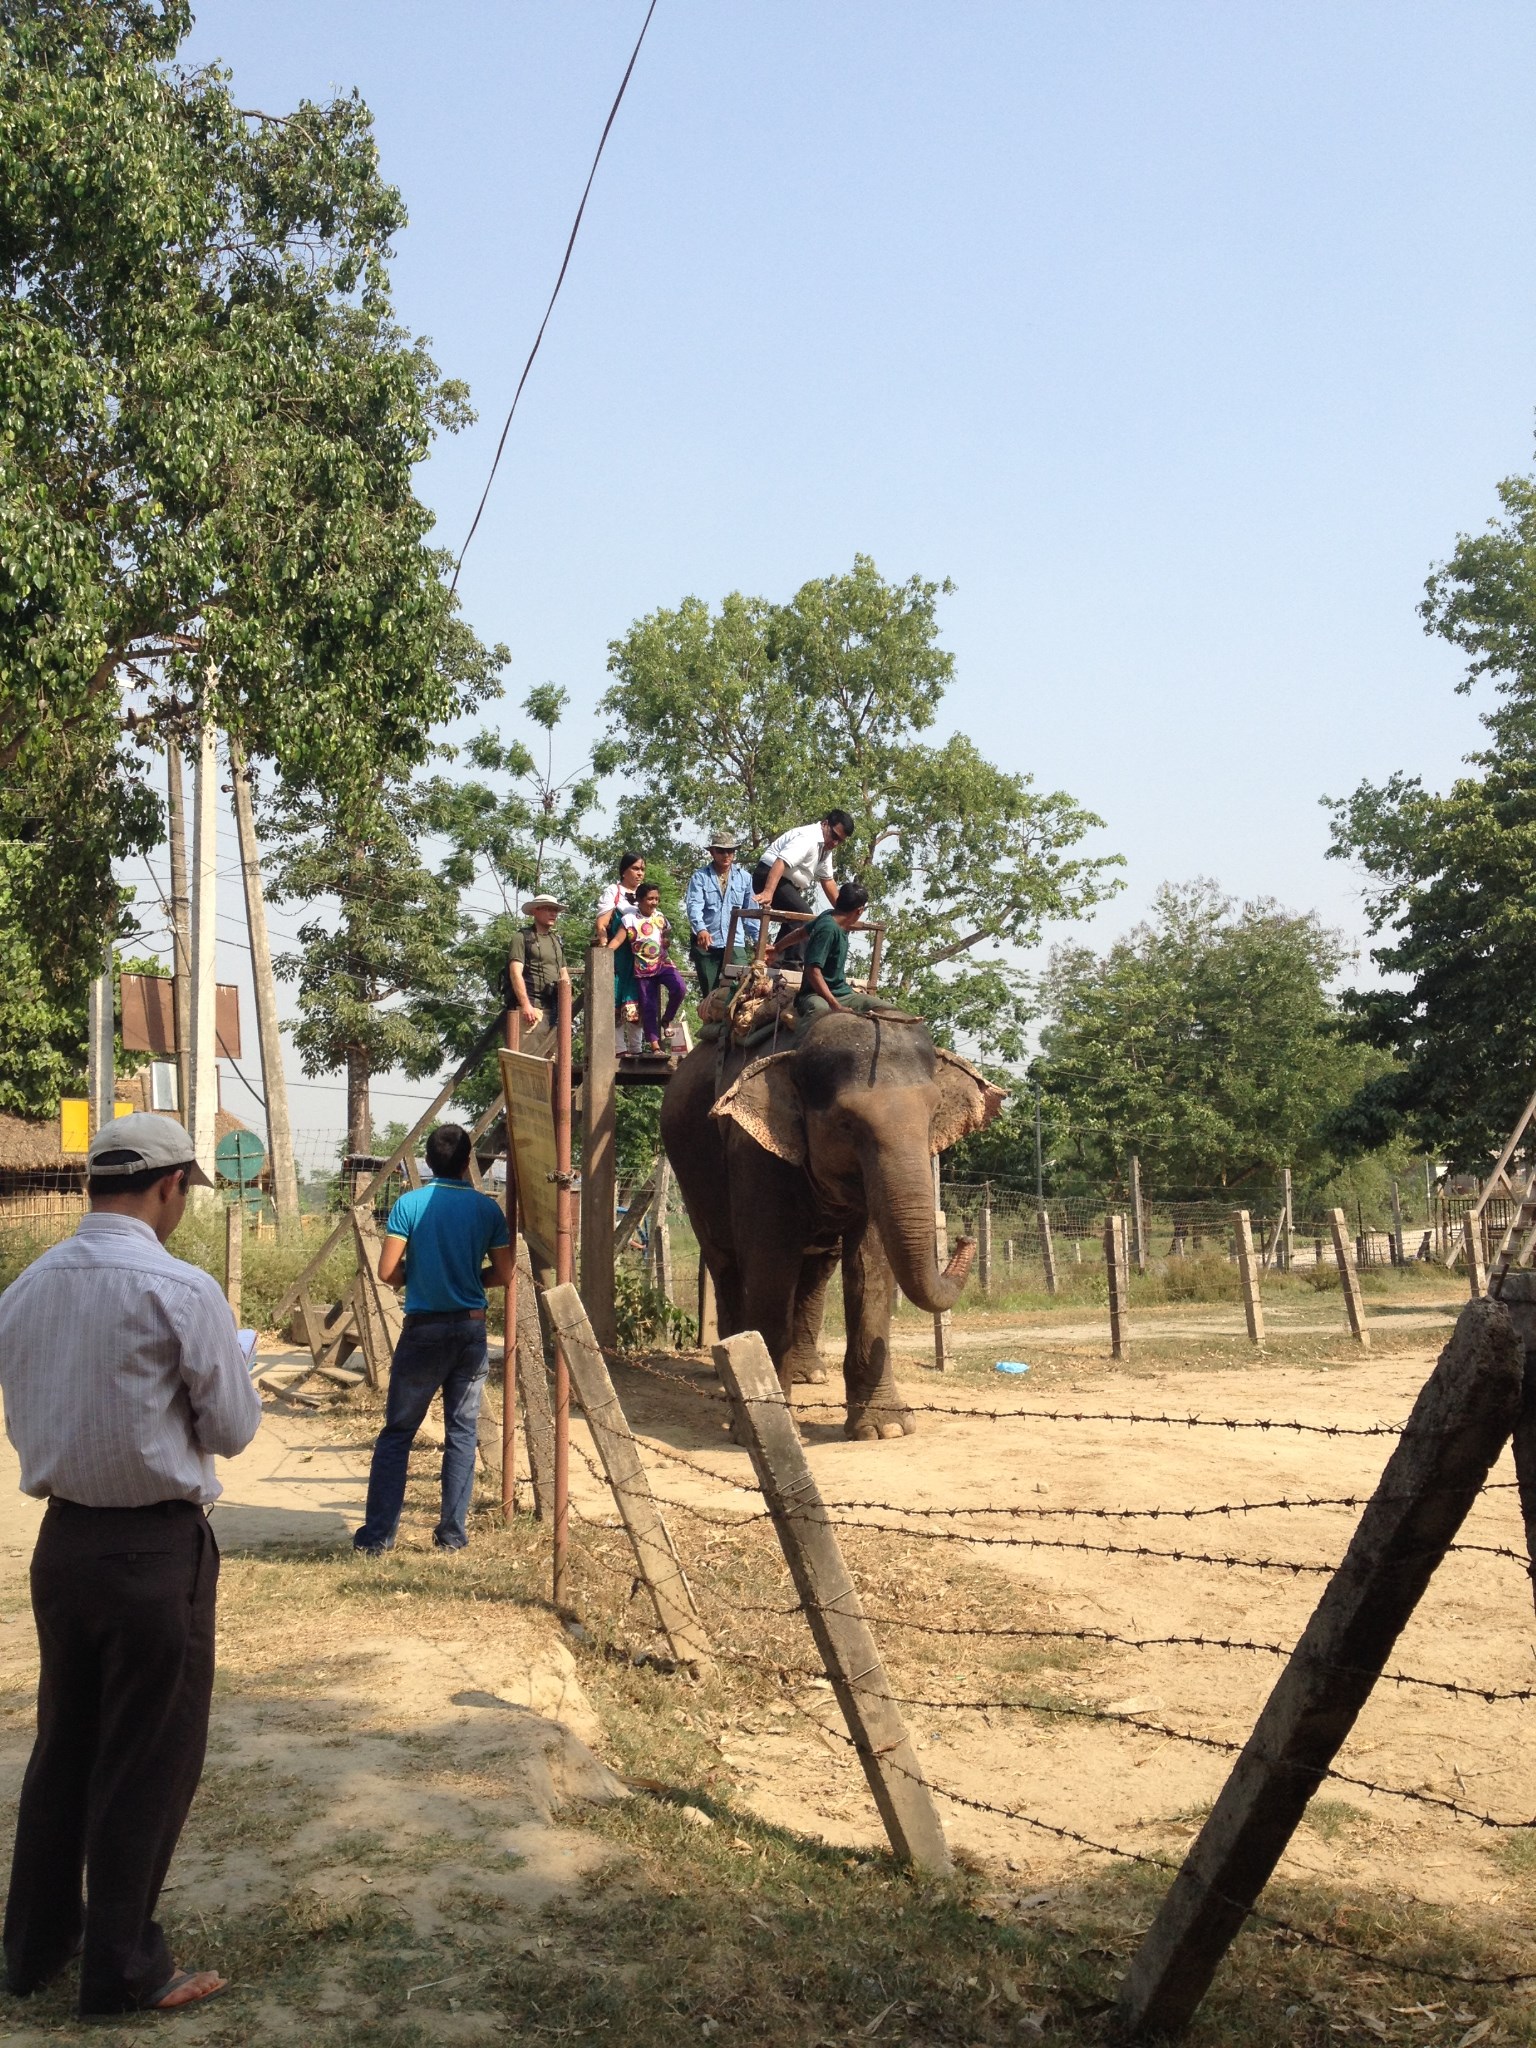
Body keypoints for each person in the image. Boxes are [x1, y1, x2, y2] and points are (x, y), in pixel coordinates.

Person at [0, 1113, 262, 2018]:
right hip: (156, 1549)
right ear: (169, 1186)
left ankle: (35, 1945)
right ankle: (122, 1968)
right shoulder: (182, 1291)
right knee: (148, 1758)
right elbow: (230, 1428)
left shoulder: (26, 1287)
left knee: (65, 1744)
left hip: (62, 1544)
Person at [354, 1124, 513, 1557]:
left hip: (423, 1331)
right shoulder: (487, 1211)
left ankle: (377, 1537)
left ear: (429, 1160)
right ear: (467, 1163)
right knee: (462, 1433)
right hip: (470, 1331)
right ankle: (452, 1535)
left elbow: (387, 1272)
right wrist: (471, 1280)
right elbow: (503, 1273)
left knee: (398, 1433)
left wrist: (419, 1276)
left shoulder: (409, 1205)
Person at [752, 810, 855, 955]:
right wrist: (768, 891)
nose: (835, 843)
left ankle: (774, 956)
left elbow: (828, 880)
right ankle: (791, 964)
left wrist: (843, 912)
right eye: (834, 836)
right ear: (825, 824)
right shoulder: (809, 838)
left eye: (840, 841)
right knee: (804, 916)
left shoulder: (825, 847)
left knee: (795, 917)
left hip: (785, 883)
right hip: (769, 876)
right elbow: (781, 862)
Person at [683, 829, 758, 995]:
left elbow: (751, 913)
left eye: (730, 851)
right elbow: (694, 906)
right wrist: (701, 929)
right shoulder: (700, 877)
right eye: (721, 851)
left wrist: (759, 940)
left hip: (736, 943)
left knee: (743, 988)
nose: (726, 855)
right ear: (712, 852)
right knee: (710, 994)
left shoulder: (745, 878)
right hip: (708, 943)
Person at [795, 883, 881, 1019]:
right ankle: (799, 1039)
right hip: (815, 994)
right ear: (860, 910)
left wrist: (777, 948)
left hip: (842, 992)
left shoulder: (830, 915)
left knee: (885, 1008)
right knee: (819, 1011)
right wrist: (835, 1005)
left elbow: (801, 933)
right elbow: (812, 971)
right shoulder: (828, 929)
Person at [622, 881, 688, 1052]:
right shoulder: (629, 919)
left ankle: (667, 1018)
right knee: (648, 1005)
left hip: (662, 962)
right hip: (643, 967)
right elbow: (618, 940)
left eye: (657, 899)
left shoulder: (659, 916)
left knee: (679, 987)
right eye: (650, 899)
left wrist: (666, 942)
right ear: (640, 900)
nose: (654, 902)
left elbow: (665, 933)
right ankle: (655, 1045)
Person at [595, 853, 645, 1054]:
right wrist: (604, 946)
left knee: (638, 998)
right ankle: (619, 1047)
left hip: (641, 957)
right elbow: (602, 923)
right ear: (624, 871)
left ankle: (637, 1047)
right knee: (615, 998)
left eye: (642, 869)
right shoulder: (614, 891)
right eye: (635, 868)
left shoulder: (646, 893)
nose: (639, 873)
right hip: (619, 955)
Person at [504, 894, 567, 1044]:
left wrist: (565, 1009)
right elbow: (515, 973)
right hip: (532, 1010)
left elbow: (563, 974)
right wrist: (526, 1005)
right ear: (534, 911)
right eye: (548, 909)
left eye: (555, 910)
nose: (553, 913)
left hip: (554, 1011)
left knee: (555, 1062)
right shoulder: (522, 937)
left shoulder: (556, 940)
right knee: (531, 1062)